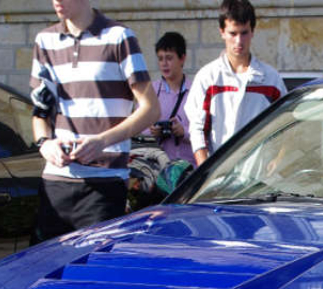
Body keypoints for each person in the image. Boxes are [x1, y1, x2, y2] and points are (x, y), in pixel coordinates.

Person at [29, 0, 160, 243]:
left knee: (94, 264)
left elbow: (151, 109)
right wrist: (44, 143)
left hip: (104, 183)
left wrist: (102, 141)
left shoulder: (119, 37)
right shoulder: (45, 40)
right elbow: (40, 112)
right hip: (55, 180)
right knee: (45, 265)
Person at [186, 0, 285, 167]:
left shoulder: (271, 79)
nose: (239, 41)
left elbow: (286, 125)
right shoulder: (208, 77)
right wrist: (205, 171)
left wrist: (277, 161)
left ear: (252, 31)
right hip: (219, 174)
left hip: (258, 176)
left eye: (244, 33)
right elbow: (197, 130)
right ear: (222, 32)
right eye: (233, 33)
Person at [146, 31, 195, 166]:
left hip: (189, 168)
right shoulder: (151, 91)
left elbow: (206, 133)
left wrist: (184, 132)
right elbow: (138, 129)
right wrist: (152, 131)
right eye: (160, 58)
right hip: (158, 168)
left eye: (169, 58)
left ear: (182, 58)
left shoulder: (196, 91)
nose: (164, 64)